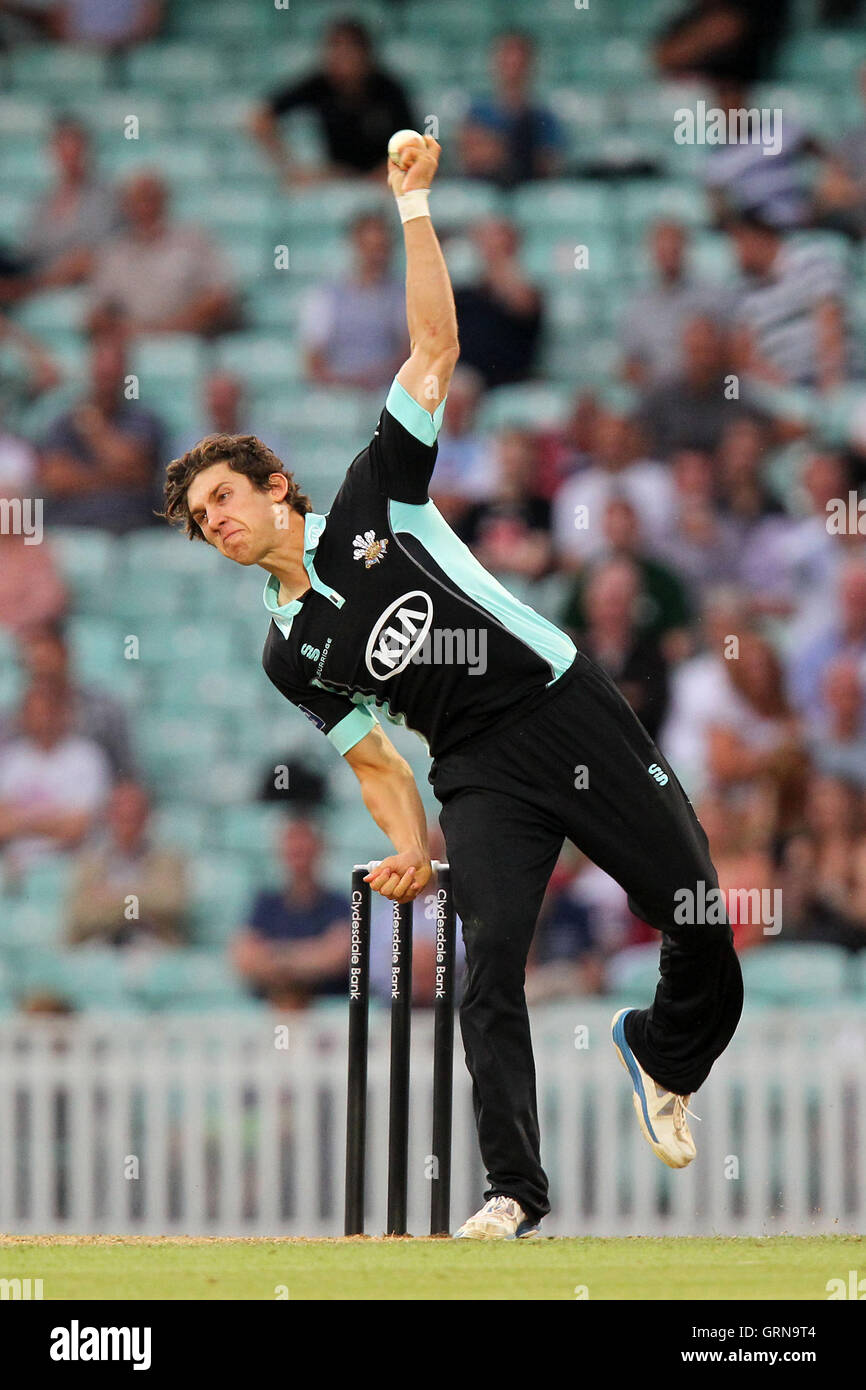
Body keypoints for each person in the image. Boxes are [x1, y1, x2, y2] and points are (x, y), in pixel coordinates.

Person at [161, 135, 743, 1240]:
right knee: (484, 969)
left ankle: (660, 1052)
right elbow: (376, 758)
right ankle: (513, 1192)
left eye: (228, 499)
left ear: (277, 487)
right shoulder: (290, 652)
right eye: (203, 523)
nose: (219, 524)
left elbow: (435, 344)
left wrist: (413, 205)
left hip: (564, 702)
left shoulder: (376, 496)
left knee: (699, 916)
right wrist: (412, 847)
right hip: (476, 770)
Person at [249, 17, 415, 186]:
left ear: (366, 53)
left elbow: (411, 143)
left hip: (385, 182)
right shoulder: (318, 85)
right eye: (335, 48)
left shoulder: (389, 89)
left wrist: (388, 172)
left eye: (350, 49)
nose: (342, 57)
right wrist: (291, 168)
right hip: (337, 181)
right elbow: (260, 119)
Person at [39, 332, 166, 532]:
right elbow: (57, 480)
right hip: (70, 525)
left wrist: (95, 430)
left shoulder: (144, 418)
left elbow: (138, 471)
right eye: (102, 374)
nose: (106, 382)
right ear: (91, 373)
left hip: (129, 525)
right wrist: (113, 476)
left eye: (111, 375)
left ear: (125, 375)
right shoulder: (64, 421)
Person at [88, 171, 238, 337]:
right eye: (136, 201)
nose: (144, 207)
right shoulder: (115, 252)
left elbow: (220, 295)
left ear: (164, 200)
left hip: (186, 340)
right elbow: (96, 312)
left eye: (150, 198)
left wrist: (171, 327)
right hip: (133, 343)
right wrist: (126, 330)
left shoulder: (193, 241)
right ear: (125, 206)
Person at [231, 818, 349, 1010]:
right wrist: (308, 959)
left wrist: (275, 957)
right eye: (293, 848)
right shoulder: (266, 903)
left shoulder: (337, 903)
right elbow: (243, 957)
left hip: (326, 1012)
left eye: (304, 847)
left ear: (319, 849)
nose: (299, 853)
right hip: (270, 1010)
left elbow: (337, 956)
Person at [0, 682, 111, 878]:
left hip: (68, 866)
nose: (42, 720)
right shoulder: (11, 758)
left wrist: (20, 820)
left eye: (47, 713)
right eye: (34, 713)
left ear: (63, 714)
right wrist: (54, 819)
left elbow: (77, 828)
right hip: (15, 866)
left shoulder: (86, 758)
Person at [66, 781, 188, 946]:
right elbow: (81, 914)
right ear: (109, 818)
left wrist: (114, 897)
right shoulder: (91, 861)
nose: (127, 826)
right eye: (121, 817)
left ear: (146, 818)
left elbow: (170, 903)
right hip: (101, 946)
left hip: (152, 947)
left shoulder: (167, 859)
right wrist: (140, 901)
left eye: (133, 818)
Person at [300, 210, 408, 391]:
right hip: (337, 391)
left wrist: (373, 377)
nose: (375, 256)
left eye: (381, 248)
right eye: (368, 248)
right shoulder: (325, 297)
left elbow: (408, 353)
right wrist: (343, 382)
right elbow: (313, 359)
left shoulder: (403, 297)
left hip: (386, 390)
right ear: (355, 246)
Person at [621, 222, 728, 388]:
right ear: (652, 253)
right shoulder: (638, 307)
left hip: (708, 393)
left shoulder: (712, 298)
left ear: (686, 250)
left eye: (674, 249)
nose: (668, 256)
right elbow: (630, 364)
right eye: (663, 250)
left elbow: (731, 352)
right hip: (659, 398)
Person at [458, 30, 565, 188]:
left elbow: (549, 164)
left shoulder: (543, 116)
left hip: (529, 194)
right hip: (486, 192)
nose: (513, 67)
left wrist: (499, 148)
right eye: (507, 60)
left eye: (519, 61)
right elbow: (473, 160)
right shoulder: (477, 111)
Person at [452, 218, 543, 389]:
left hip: (509, 380)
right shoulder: (465, 291)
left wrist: (498, 258)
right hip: (463, 378)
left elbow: (523, 306)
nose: (489, 245)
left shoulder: (526, 288)